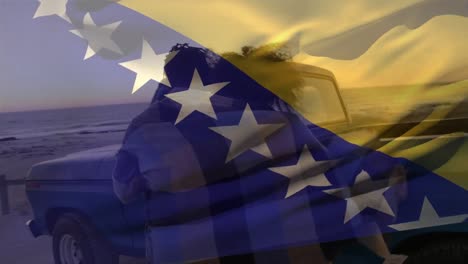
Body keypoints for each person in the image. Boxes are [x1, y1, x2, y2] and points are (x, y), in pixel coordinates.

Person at [112, 43, 406, 263]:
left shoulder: (144, 128)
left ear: (167, 76)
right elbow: (337, 173)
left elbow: (125, 191)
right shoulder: (279, 123)